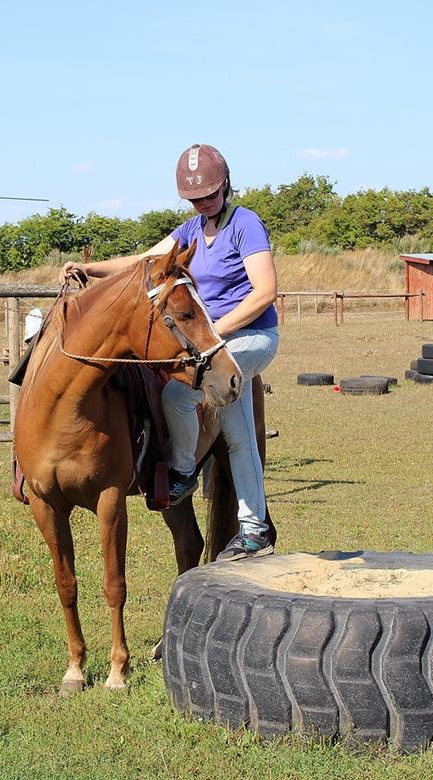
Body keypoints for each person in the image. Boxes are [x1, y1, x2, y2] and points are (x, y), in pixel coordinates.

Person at [62, 144, 279, 561]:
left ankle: (203, 490)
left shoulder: (245, 225)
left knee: (207, 409)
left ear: (227, 186)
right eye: (195, 199)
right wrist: (91, 269)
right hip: (206, 340)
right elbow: (145, 261)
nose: (204, 204)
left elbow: (265, 291)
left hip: (249, 336)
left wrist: (215, 334)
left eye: (210, 195)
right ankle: (241, 518)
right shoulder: (191, 230)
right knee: (202, 408)